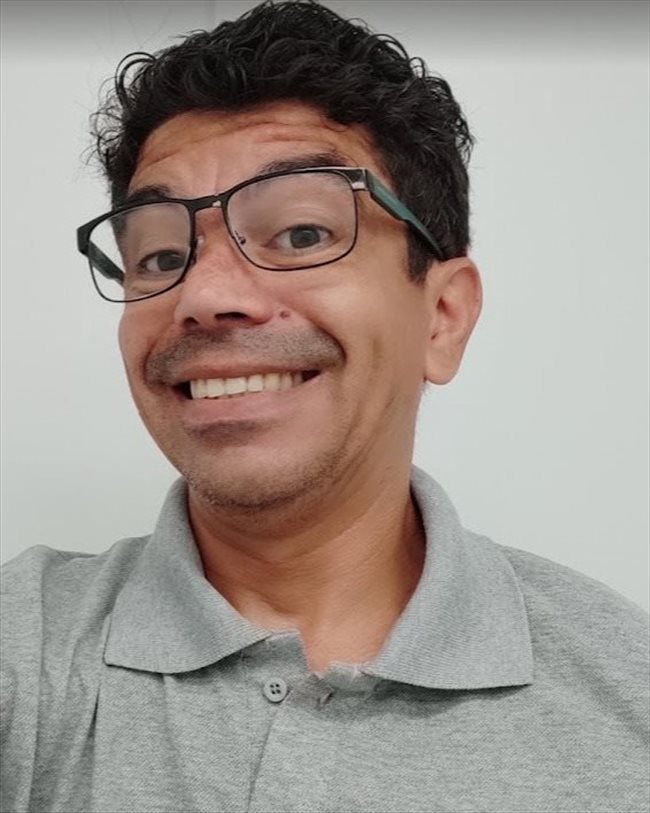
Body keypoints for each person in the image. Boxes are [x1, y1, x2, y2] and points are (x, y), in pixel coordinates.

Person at [1, 1, 647, 811]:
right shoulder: (24, 650)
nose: (203, 296)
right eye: (161, 255)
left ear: (442, 319)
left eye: (301, 233)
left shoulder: (628, 700)